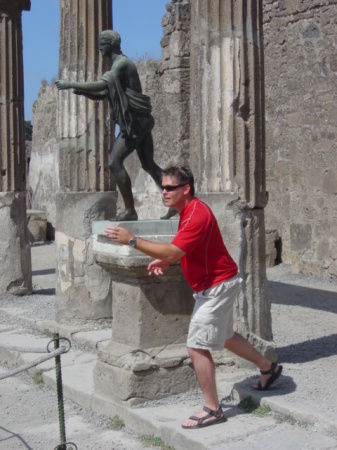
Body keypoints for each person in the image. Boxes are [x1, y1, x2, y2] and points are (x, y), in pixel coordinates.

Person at [104, 165, 283, 429]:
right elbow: (183, 248)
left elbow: (175, 251)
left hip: (217, 286)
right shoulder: (187, 212)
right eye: (162, 187)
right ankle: (269, 368)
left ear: (185, 189)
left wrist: (133, 241)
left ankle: (213, 409)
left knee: (196, 345)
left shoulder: (196, 214)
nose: (163, 192)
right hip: (215, 284)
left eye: (169, 188)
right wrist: (165, 260)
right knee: (225, 337)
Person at [56, 30, 174, 221]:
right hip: (140, 121)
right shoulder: (118, 66)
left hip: (135, 123)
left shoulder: (121, 65)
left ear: (110, 44)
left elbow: (101, 86)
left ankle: (130, 210)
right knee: (148, 165)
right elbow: (105, 93)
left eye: (102, 44)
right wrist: (82, 92)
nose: (100, 47)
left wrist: (71, 84)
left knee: (114, 162)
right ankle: (178, 202)